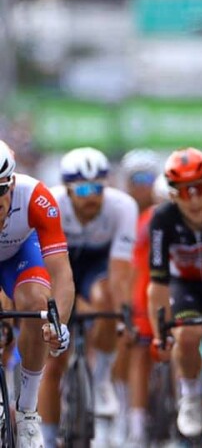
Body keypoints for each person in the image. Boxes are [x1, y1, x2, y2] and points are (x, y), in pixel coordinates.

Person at [39, 147, 137, 446]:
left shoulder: (123, 206)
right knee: (54, 363)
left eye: (98, 188)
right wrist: (67, 306)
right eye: (83, 189)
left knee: (107, 302)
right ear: (67, 189)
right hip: (56, 265)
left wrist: (121, 314)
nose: (91, 197)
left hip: (97, 267)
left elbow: (120, 272)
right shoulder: (50, 204)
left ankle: (102, 377)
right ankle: (47, 435)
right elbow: (43, 270)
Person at [0, 140, 73, 447]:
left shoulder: (37, 197)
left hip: (21, 257)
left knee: (36, 303)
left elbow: (62, 274)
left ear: (12, 183)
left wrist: (59, 325)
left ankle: (28, 412)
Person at [147, 147, 202, 438]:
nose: (193, 199)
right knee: (187, 334)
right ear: (172, 194)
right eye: (183, 191)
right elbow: (158, 283)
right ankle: (189, 395)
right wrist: (159, 334)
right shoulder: (162, 219)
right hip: (184, 285)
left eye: (199, 188)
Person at [111, 148, 161, 446]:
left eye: (148, 178)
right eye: (136, 178)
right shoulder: (121, 213)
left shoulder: (161, 212)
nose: (142, 185)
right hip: (134, 291)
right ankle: (133, 420)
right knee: (133, 353)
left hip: (158, 290)